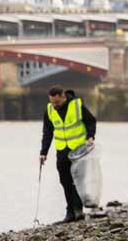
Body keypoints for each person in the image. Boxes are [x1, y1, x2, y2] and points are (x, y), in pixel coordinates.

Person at [39, 86, 96, 223]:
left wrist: (90, 136)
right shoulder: (50, 110)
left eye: (57, 102)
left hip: (79, 149)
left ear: (63, 96)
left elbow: (91, 120)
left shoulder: (77, 105)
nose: (55, 105)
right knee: (65, 181)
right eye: (52, 102)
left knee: (78, 180)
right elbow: (48, 132)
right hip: (62, 150)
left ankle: (77, 210)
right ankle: (70, 211)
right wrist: (43, 152)